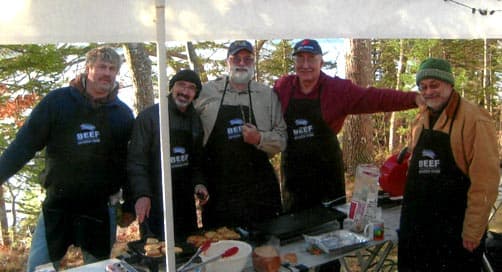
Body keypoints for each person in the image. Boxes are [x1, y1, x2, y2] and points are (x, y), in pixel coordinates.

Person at [274, 39, 423, 272]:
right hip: (294, 178)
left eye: (311, 59)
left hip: (326, 177)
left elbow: (374, 97)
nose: (305, 64)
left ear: (320, 61)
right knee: (293, 241)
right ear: (294, 61)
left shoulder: (336, 90)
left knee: (330, 240)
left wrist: (412, 99)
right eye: (300, 58)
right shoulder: (283, 87)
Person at [0, 47, 134, 271]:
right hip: (59, 205)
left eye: (112, 69)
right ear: (88, 68)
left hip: (100, 209)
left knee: (100, 268)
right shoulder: (57, 102)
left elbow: (130, 164)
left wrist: (129, 204)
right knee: (38, 267)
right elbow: (24, 145)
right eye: (102, 67)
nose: (107, 74)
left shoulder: (122, 114)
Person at [398, 58, 500, 271]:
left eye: (434, 85)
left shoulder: (474, 119)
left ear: (449, 84)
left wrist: (473, 231)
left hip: (454, 233)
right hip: (417, 229)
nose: (428, 92)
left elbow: (486, 181)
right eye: (423, 87)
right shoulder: (421, 119)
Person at [194, 40, 286, 229]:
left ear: (253, 63)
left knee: (266, 248)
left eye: (247, 59)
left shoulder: (266, 95)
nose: (241, 63)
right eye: (236, 58)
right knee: (222, 248)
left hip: (260, 190)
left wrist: (260, 139)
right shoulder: (206, 92)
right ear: (228, 62)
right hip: (218, 190)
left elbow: (282, 138)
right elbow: (189, 134)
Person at [125, 69, 209, 242]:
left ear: (196, 94)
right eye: (181, 85)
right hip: (154, 201)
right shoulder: (149, 117)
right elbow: (136, 161)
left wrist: (199, 184)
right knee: (157, 252)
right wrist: (142, 195)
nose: (185, 92)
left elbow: (196, 161)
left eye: (191, 88)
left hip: (184, 203)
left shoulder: (195, 120)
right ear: (171, 87)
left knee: (188, 251)